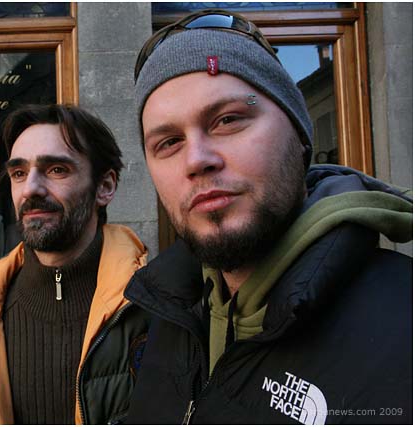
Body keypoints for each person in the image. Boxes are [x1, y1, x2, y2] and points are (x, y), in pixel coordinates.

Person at [125, 9, 412, 424]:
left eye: (228, 120)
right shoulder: (170, 315)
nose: (196, 160)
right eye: (168, 142)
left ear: (299, 134)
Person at [0, 104, 150, 424]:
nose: (30, 188)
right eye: (19, 173)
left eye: (56, 170)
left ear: (105, 187)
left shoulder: (159, 313)